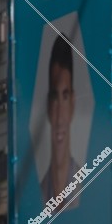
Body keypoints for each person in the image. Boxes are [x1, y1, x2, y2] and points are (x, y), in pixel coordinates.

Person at [39, 35, 80, 212]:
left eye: (65, 96)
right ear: (48, 105)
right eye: (55, 97)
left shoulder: (86, 186)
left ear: (73, 102)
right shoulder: (39, 193)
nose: (59, 115)